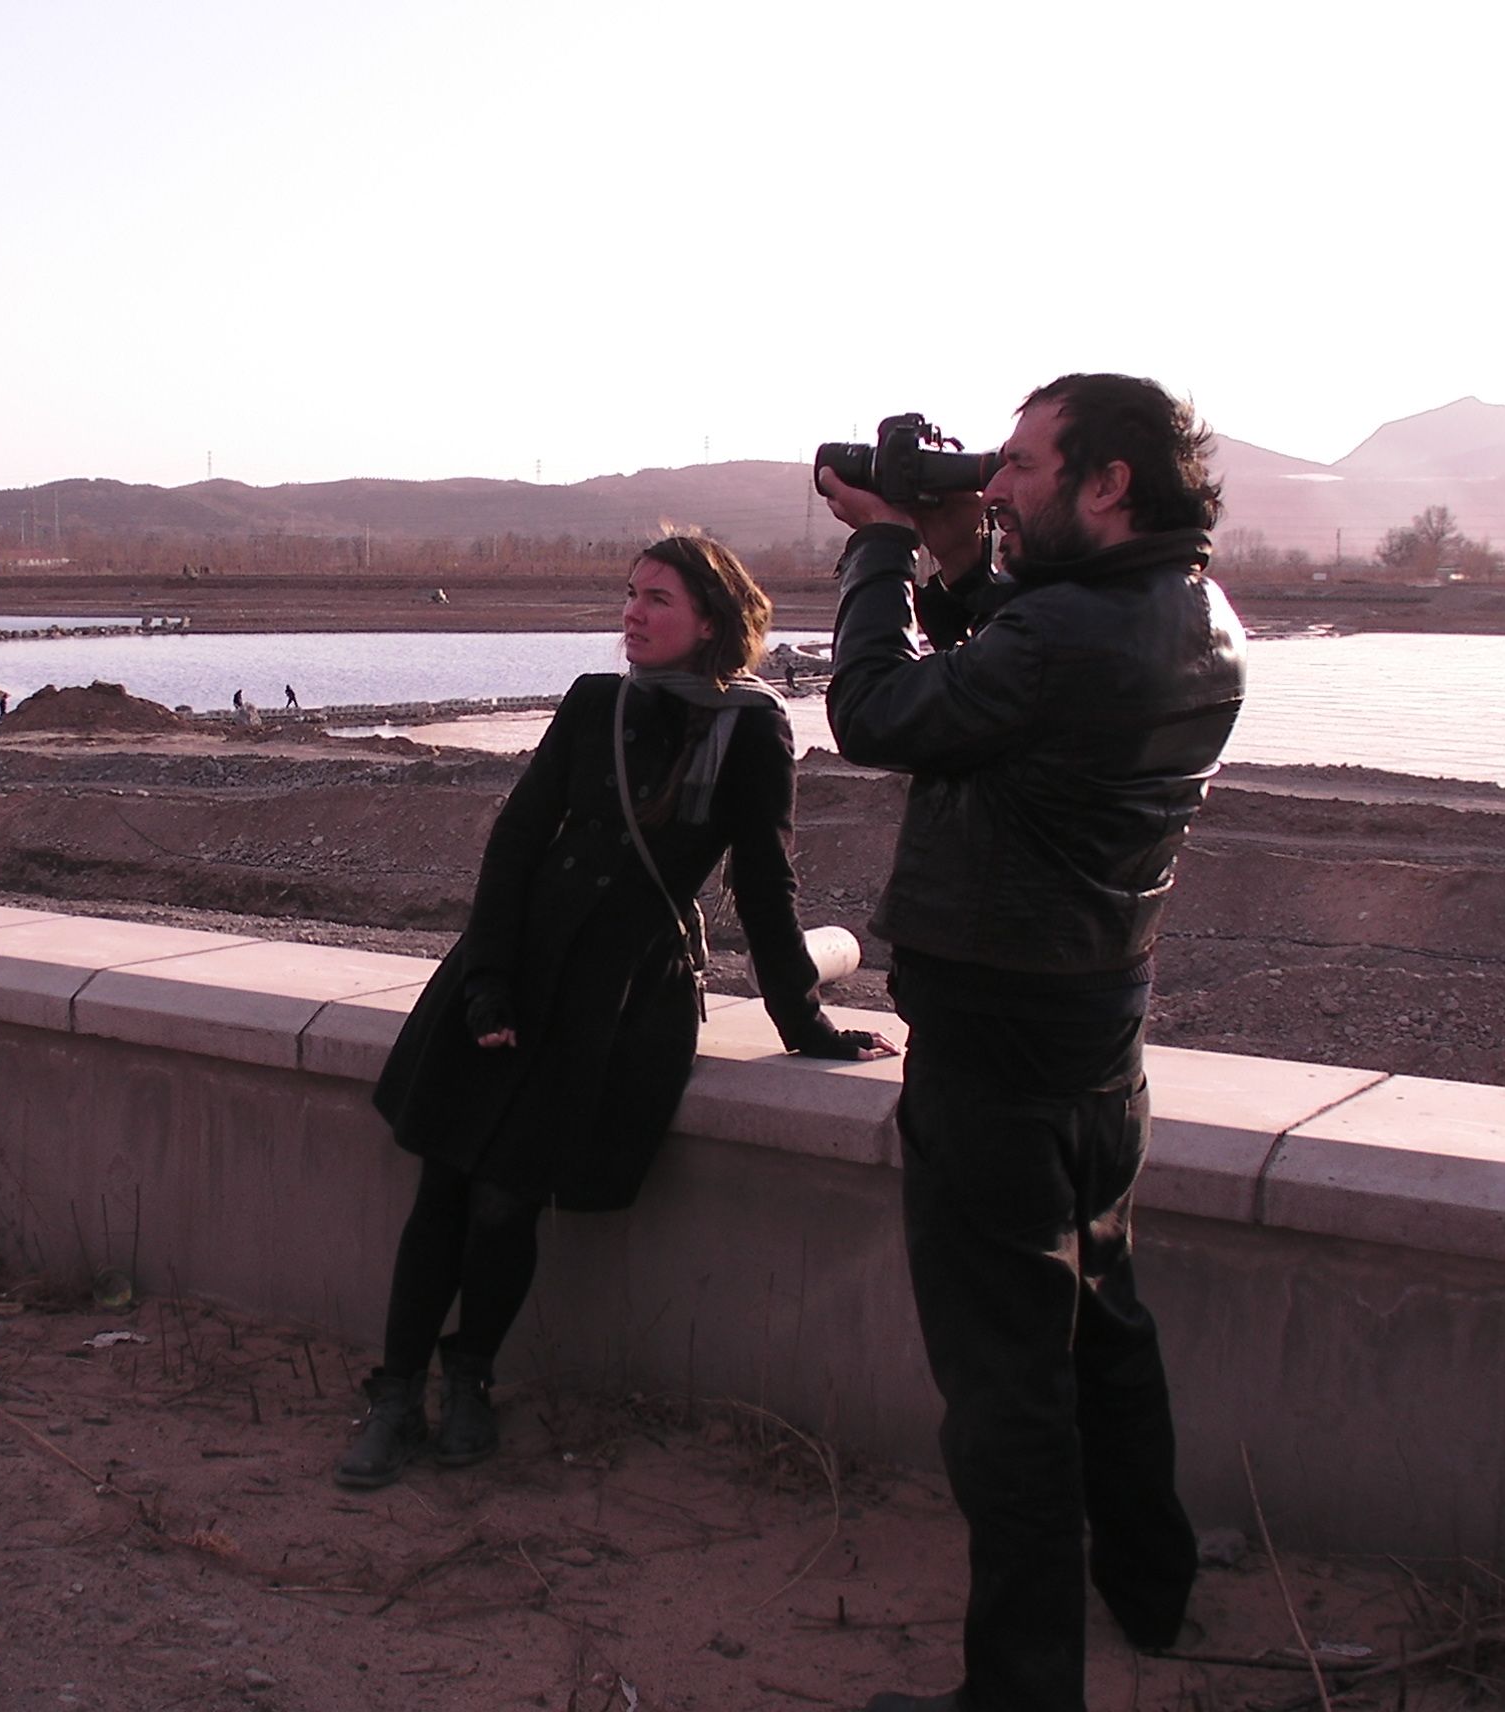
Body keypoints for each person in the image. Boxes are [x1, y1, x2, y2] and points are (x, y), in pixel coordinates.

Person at [816, 374, 1248, 1712]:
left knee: (1007, 1389)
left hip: (995, 1045)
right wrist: (955, 554)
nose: (993, 487)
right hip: (1099, 1031)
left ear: (1108, 484)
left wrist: (883, 543)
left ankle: (1018, 1694)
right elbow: (1017, 663)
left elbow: (877, 715)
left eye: (1019, 468)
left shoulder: (1071, 635)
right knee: (1104, 1325)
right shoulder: (1198, 615)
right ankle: (1153, 1589)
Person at [342, 531, 896, 1489]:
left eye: (658, 600)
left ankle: (470, 1378)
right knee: (443, 1190)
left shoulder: (754, 731)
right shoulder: (597, 702)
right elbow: (517, 838)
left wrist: (804, 1022)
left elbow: (765, 889)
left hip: (619, 997)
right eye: (630, 593)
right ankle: (394, 1394)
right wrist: (486, 983)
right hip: (511, 965)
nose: (632, 614)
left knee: (510, 1200)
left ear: (713, 624)